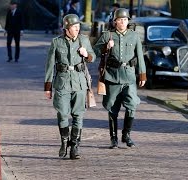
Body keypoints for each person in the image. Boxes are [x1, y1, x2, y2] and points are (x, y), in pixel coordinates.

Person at [44, 14, 96, 160]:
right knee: (62, 113)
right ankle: (64, 142)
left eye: (78, 27)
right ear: (66, 28)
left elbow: (93, 57)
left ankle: (74, 146)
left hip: (79, 82)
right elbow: (49, 66)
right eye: (74, 27)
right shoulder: (56, 42)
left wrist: (86, 54)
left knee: (78, 114)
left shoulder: (83, 40)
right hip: (62, 82)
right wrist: (47, 87)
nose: (77, 29)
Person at [94, 8, 146, 149]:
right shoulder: (108, 35)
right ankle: (113, 138)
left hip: (129, 76)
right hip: (112, 76)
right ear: (115, 21)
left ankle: (126, 135)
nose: (122, 22)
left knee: (132, 105)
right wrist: (106, 47)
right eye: (120, 20)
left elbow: (140, 56)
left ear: (128, 21)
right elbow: (94, 52)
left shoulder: (134, 36)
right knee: (112, 107)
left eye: (125, 20)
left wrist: (142, 74)